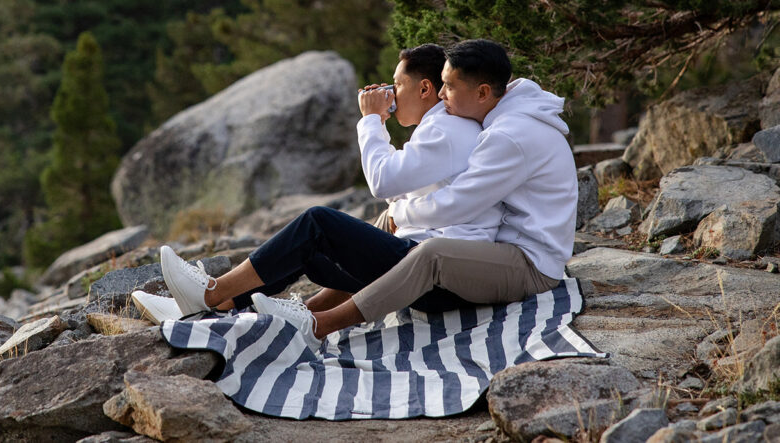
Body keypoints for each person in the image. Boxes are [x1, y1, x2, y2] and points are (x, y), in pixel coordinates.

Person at [135, 44, 489, 335]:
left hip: (434, 278)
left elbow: (382, 182)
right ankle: (220, 305)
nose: (390, 95)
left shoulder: (446, 130)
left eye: (396, 86)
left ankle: (211, 293)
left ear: (424, 88)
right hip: (424, 269)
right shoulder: (442, 129)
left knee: (317, 224)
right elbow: (406, 187)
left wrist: (370, 120)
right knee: (310, 249)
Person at [244, 38, 575, 346]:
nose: (441, 94)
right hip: (508, 245)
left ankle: (320, 325)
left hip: (532, 263)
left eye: (449, 86)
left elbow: (457, 204)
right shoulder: (503, 117)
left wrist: (401, 212)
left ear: (483, 92)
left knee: (432, 254)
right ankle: (305, 306)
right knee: (387, 230)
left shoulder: (511, 135)